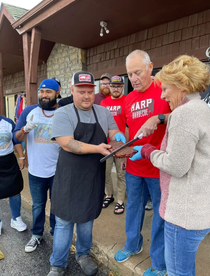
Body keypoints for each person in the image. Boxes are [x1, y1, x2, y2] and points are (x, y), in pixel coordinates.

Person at [131, 55, 210, 276]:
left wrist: (147, 151)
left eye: (165, 89)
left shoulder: (183, 114)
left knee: (178, 272)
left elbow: (176, 166)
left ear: (182, 86)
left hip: (183, 215)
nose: (163, 95)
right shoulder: (202, 108)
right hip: (199, 209)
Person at [47, 71, 126, 276]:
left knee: (86, 220)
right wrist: (98, 148)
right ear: (72, 90)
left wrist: (119, 139)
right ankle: (58, 263)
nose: (86, 96)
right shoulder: (62, 113)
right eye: (81, 91)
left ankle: (83, 254)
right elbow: (67, 144)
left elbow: (112, 133)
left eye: (90, 91)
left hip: (92, 177)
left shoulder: (103, 112)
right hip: (69, 177)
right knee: (64, 222)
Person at [114, 50, 171, 276]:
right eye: (129, 74)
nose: (133, 79)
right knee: (134, 209)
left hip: (159, 166)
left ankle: (159, 263)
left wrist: (157, 118)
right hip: (135, 166)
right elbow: (128, 128)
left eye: (137, 72)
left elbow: (180, 115)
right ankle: (133, 244)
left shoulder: (164, 89)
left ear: (150, 67)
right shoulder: (129, 98)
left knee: (160, 216)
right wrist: (124, 147)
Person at [14, 79, 60, 253]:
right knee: (38, 205)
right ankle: (37, 235)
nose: (44, 95)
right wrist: (25, 129)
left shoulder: (63, 113)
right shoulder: (29, 111)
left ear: (57, 93)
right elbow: (17, 138)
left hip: (58, 170)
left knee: (56, 204)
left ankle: (57, 234)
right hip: (36, 170)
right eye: (41, 91)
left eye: (48, 91)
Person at [101, 75, 126, 214]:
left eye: (118, 86)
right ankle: (109, 195)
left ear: (122, 87)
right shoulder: (104, 103)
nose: (115, 89)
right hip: (107, 144)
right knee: (105, 172)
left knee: (121, 174)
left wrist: (127, 144)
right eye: (113, 86)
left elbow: (129, 125)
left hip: (122, 144)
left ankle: (120, 200)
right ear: (109, 87)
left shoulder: (127, 101)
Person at [0, 116, 27, 234]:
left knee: (15, 189)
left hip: (9, 161)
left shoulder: (8, 122)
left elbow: (16, 140)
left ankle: (16, 218)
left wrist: (21, 157)